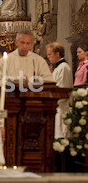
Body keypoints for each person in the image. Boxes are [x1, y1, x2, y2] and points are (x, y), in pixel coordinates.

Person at [46, 42, 73, 172]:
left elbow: (62, 90)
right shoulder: (58, 68)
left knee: (62, 141)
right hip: (56, 108)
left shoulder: (63, 68)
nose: (48, 57)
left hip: (61, 108)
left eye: (50, 54)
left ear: (58, 54)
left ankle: (64, 171)